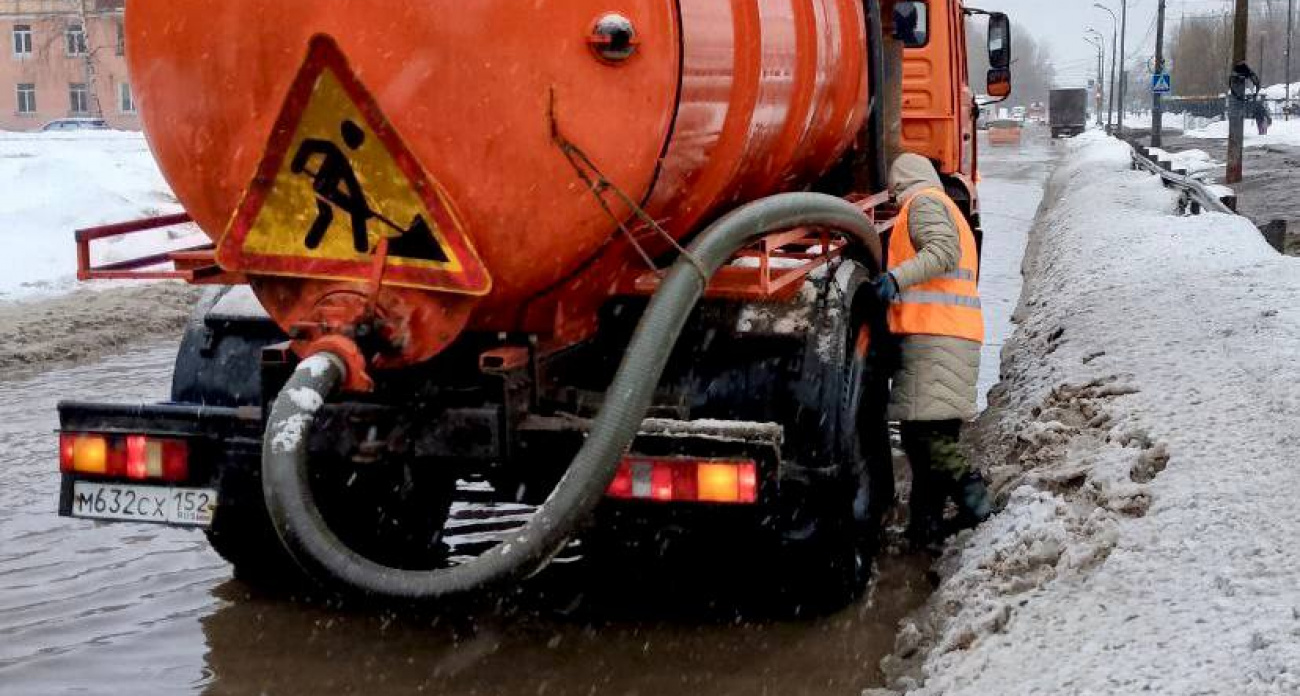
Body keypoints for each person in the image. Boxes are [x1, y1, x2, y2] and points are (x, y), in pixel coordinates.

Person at [873, 153, 993, 549]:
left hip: (937, 335)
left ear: (902, 181)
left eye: (894, 188)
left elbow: (943, 252)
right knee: (922, 438)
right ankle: (923, 531)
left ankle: (977, 502)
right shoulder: (941, 204)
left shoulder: (923, 203)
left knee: (928, 439)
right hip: (948, 335)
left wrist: (895, 277)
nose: (893, 196)